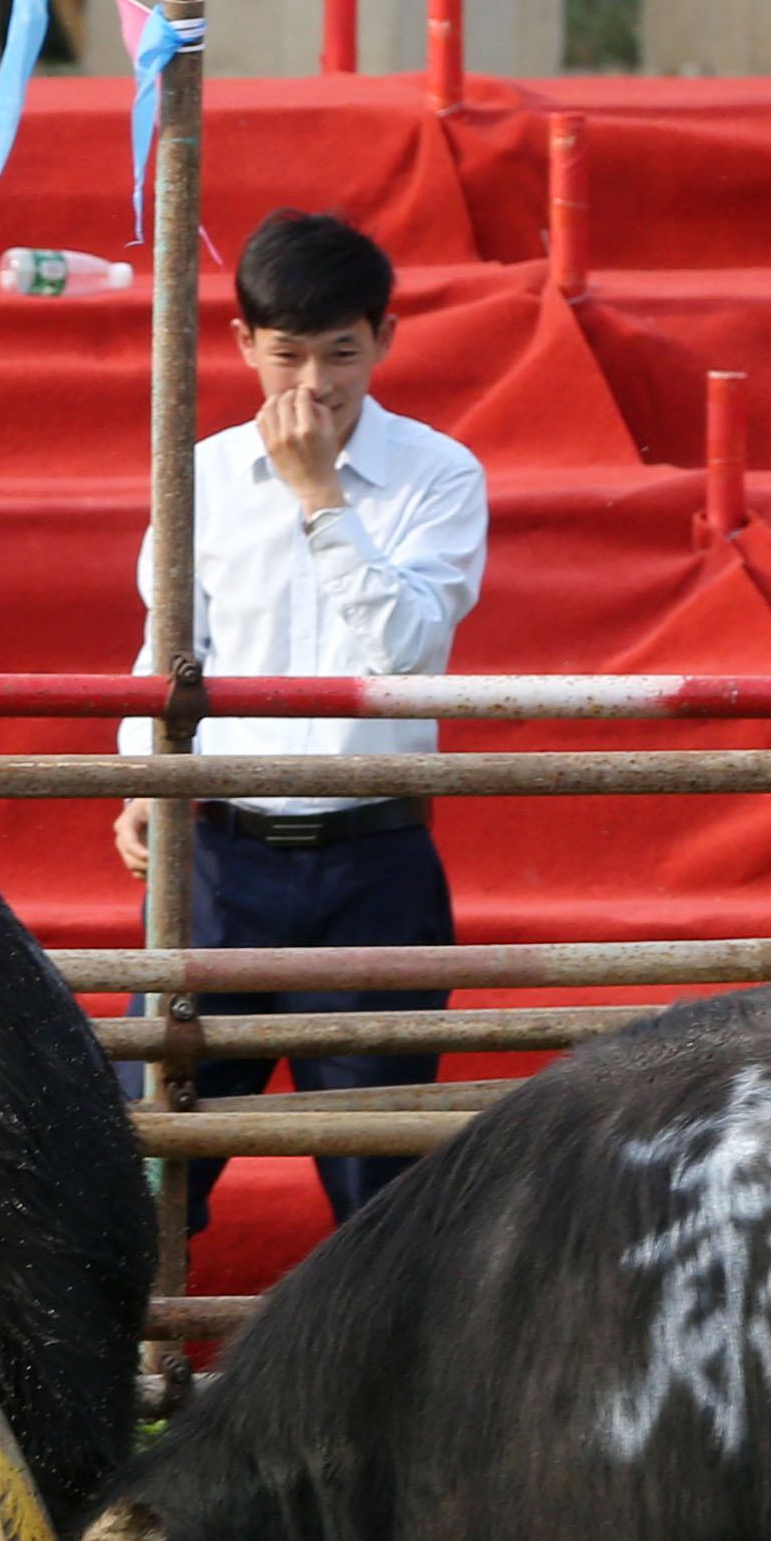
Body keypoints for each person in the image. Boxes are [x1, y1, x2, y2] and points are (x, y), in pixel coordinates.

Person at [117, 211, 489, 1233]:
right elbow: (165, 650)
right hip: (220, 858)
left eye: (342, 352)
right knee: (152, 1155)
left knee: (383, 1186)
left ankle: (391, 1393)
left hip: (372, 864)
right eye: (288, 354)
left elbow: (406, 650)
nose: (315, 384)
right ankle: (139, 1374)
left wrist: (320, 495)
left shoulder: (439, 476)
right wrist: (143, 776)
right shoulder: (195, 474)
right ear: (243, 346)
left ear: (385, 341)